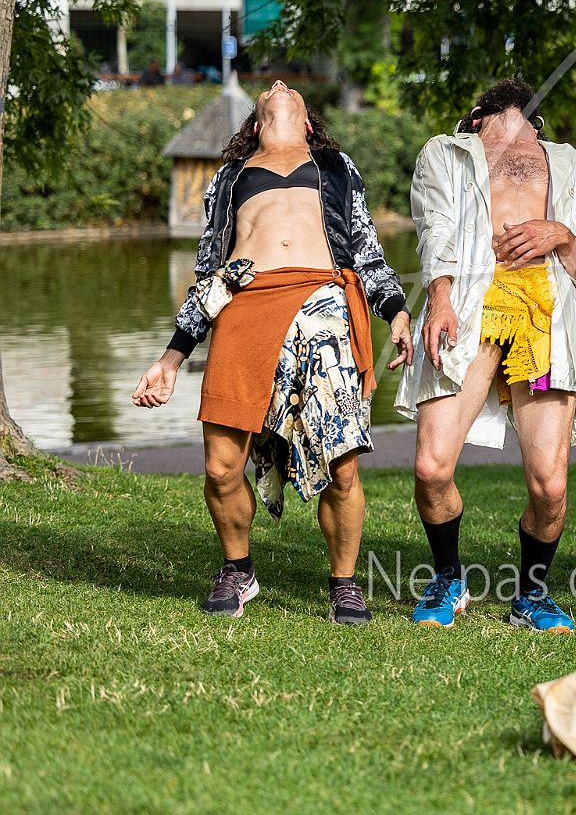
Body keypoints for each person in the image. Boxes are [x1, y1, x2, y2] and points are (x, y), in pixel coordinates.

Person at [131, 80, 413, 624]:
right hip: (244, 309)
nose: (279, 84)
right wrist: (171, 359)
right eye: (271, 88)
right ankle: (238, 570)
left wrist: (396, 311)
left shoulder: (335, 166)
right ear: (256, 124)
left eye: (290, 87)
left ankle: (344, 584)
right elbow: (208, 270)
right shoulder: (230, 176)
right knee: (221, 467)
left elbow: (366, 249)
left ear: (307, 122)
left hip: (323, 306)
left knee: (342, 468)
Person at [396, 78, 576, 634]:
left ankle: (532, 594)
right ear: (477, 116)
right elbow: (434, 230)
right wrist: (440, 297)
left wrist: (561, 234)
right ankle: (448, 578)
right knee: (431, 468)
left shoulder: (568, 164)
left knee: (550, 487)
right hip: (469, 309)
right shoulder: (446, 152)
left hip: (545, 316)